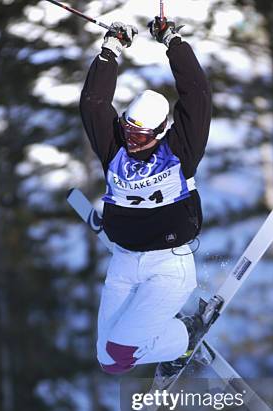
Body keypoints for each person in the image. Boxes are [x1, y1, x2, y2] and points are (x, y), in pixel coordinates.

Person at [80, 17, 212, 376]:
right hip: (123, 263)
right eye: (127, 130)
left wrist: (174, 42)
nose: (131, 141)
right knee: (108, 361)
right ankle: (168, 338)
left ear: (160, 130)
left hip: (167, 266)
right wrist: (110, 49)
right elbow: (93, 104)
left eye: (140, 136)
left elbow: (196, 95)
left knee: (119, 351)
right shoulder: (114, 147)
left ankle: (184, 336)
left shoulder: (180, 150)